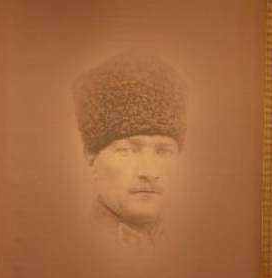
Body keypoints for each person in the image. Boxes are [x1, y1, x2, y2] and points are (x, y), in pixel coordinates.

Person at [72, 53, 187, 245]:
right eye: (127, 150)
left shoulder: (195, 248)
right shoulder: (68, 245)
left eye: (164, 151)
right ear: (91, 156)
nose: (149, 172)